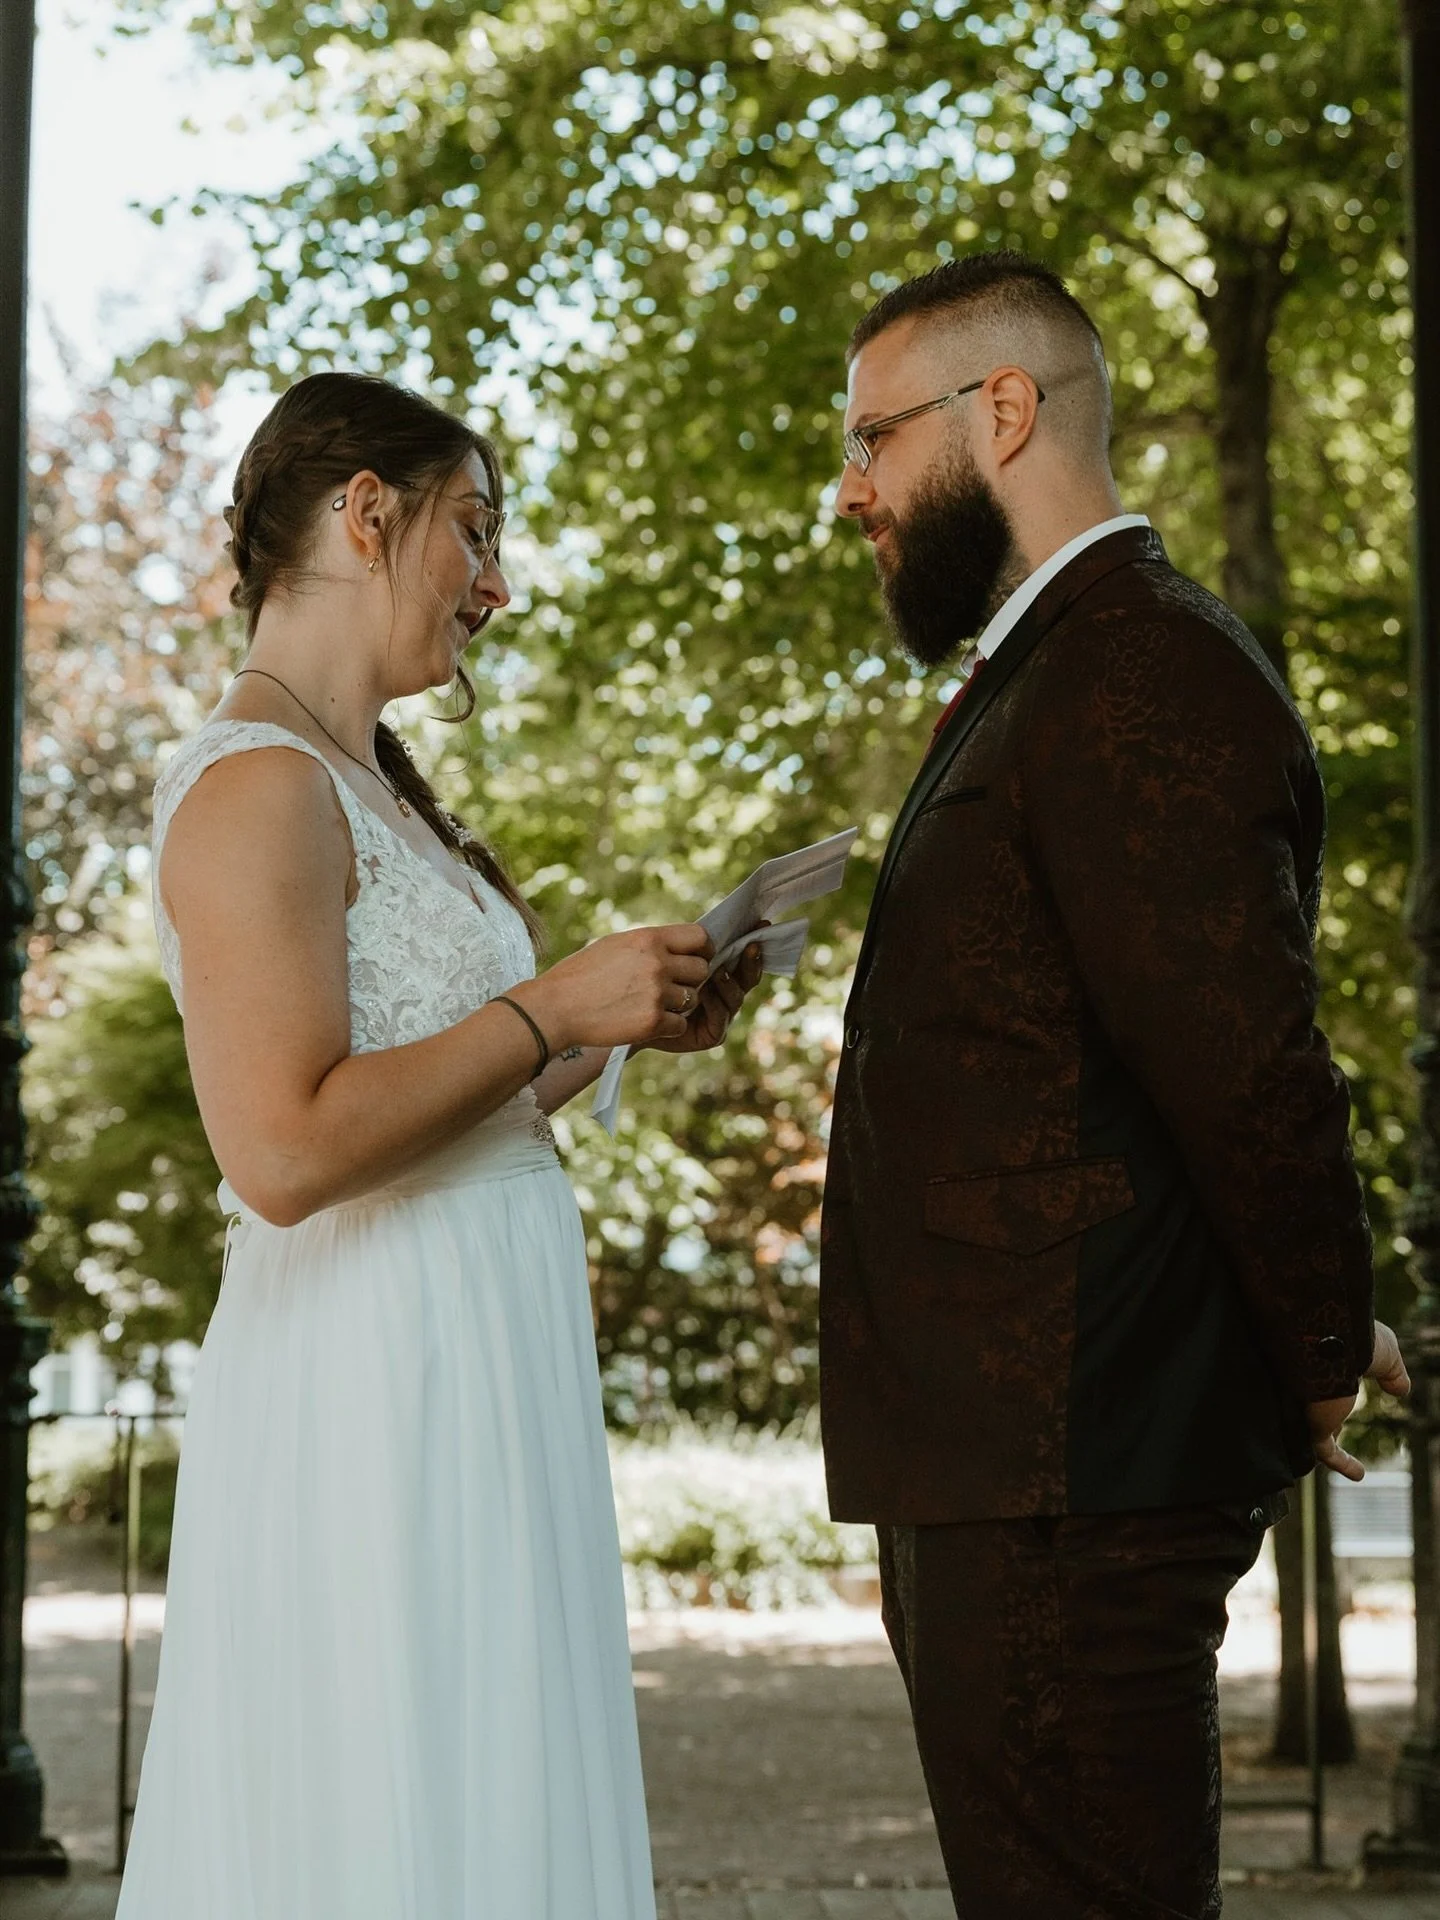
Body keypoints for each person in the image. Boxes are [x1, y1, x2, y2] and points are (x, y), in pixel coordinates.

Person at [117, 370, 762, 1920]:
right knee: (384, 1781)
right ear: (366, 514)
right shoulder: (255, 790)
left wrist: (611, 1026)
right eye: (474, 531)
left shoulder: (379, 792)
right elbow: (281, 1148)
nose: (496, 582)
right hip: (370, 1372)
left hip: (478, 1347)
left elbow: (426, 1100)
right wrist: (548, 1010)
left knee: (486, 1771)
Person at [820, 251, 1409, 1919]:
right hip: (1010, 1462)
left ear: (1001, 411)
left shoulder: (1140, 666)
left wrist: (1311, 1343)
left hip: (1072, 1473)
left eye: (875, 439)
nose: (850, 489)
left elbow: (1250, 1070)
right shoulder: (1048, 667)